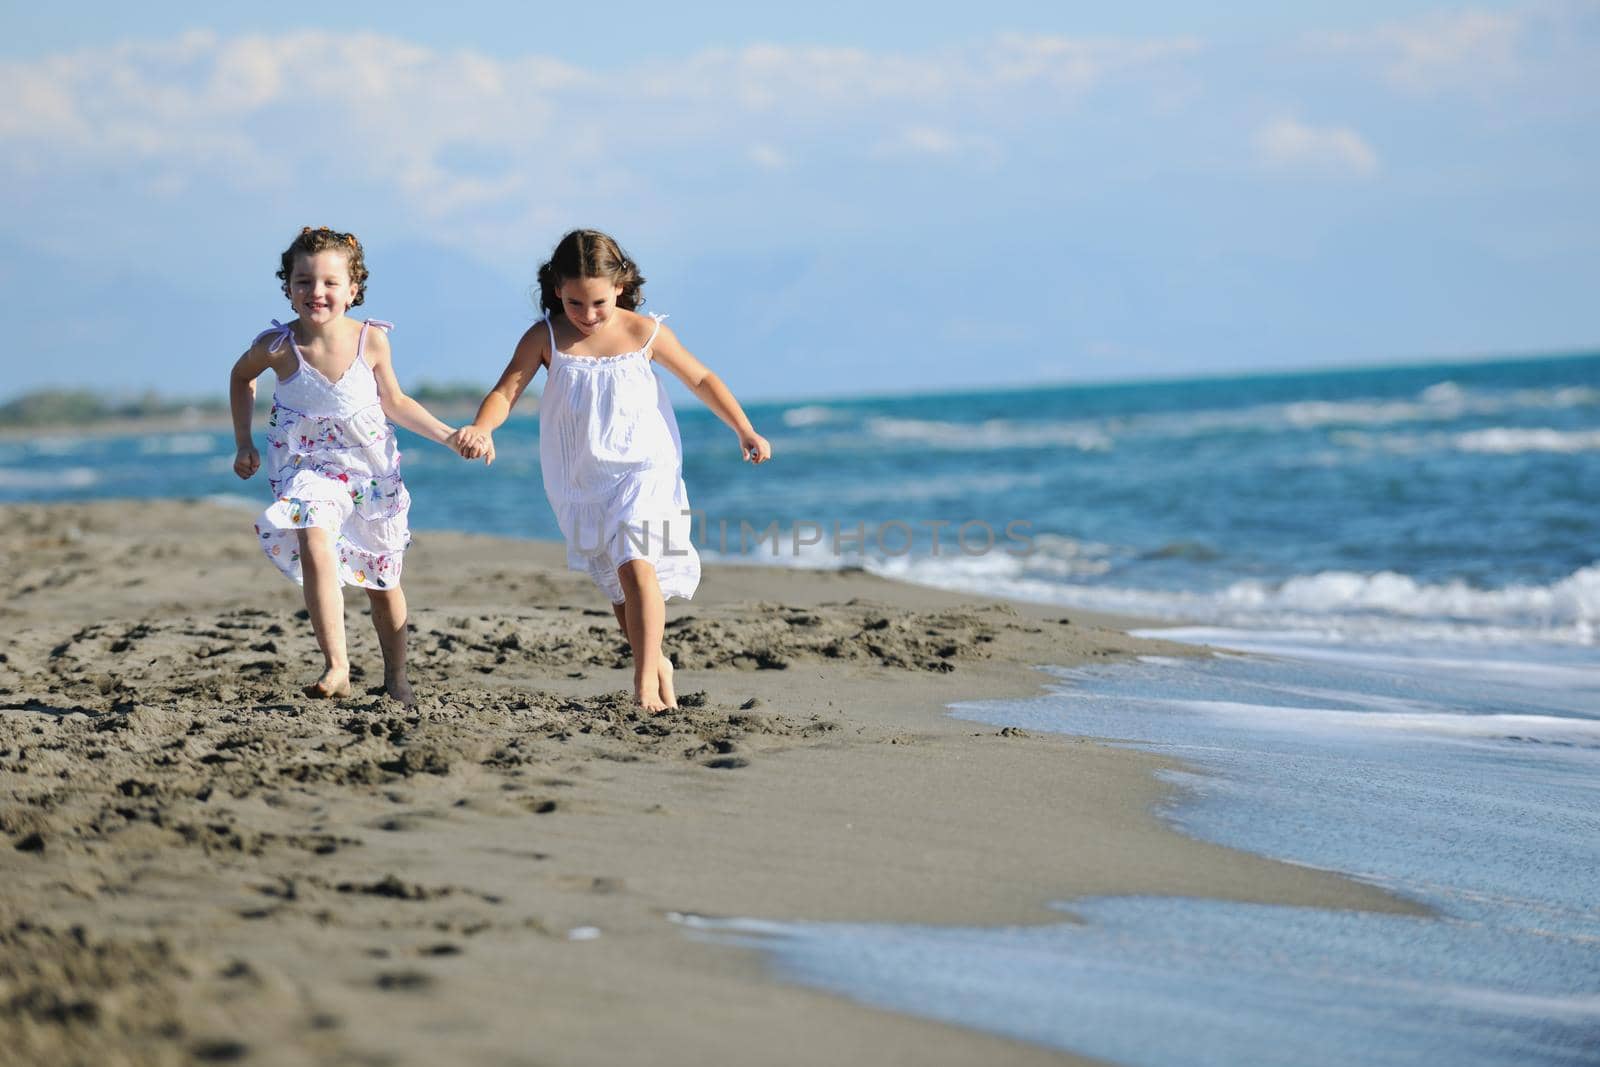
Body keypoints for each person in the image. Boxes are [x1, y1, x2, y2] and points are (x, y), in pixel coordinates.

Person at [452, 229, 771, 712]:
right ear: (557, 288)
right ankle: (656, 659)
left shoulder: (643, 332)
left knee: (637, 560)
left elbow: (701, 378)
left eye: (597, 302)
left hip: (646, 467)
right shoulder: (546, 337)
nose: (587, 315)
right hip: (582, 478)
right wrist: (483, 426)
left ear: (620, 285)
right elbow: (506, 391)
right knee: (621, 590)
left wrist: (744, 429)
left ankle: (643, 685)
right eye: (575, 302)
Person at [229, 226, 460, 707]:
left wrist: (449, 436)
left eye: (331, 282)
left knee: (384, 582)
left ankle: (396, 676)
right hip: (308, 468)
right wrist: (243, 442)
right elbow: (240, 377)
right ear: (288, 288)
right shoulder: (277, 345)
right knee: (313, 532)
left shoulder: (371, 340)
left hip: (370, 476)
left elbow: (394, 403)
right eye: (304, 281)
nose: (317, 292)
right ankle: (337, 664)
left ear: (353, 289)